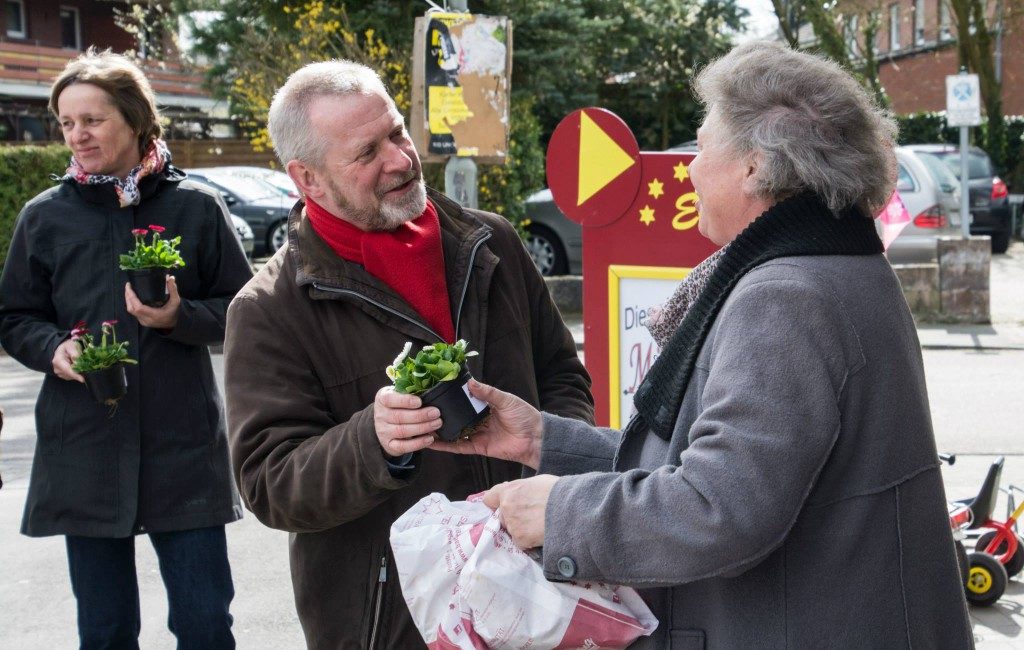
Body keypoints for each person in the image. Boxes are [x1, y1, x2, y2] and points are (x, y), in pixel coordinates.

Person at [399, 42, 975, 648]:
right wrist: (540, 439)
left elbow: (719, 508)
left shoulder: (786, 296)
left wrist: (556, 511)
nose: (689, 170)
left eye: (701, 147)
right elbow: (714, 468)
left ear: (755, 165)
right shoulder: (834, 262)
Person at [223, 60, 593, 648]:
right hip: (397, 622)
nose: (399, 159)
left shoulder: (491, 241)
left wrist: (549, 471)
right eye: (366, 153)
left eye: (396, 132)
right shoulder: (268, 308)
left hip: (539, 590)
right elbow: (269, 482)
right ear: (308, 179)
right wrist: (372, 441)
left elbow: (561, 376)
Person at [0, 49, 251, 649]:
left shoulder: (195, 207)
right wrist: (54, 349)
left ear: (136, 119)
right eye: (66, 122)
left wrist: (179, 316)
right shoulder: (44, 217)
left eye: (93, 120)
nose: (77, 135)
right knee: (106, 630)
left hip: (182, 443)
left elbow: (247, 311)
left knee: (204, 624)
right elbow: (13, 315)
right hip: (84, 442)